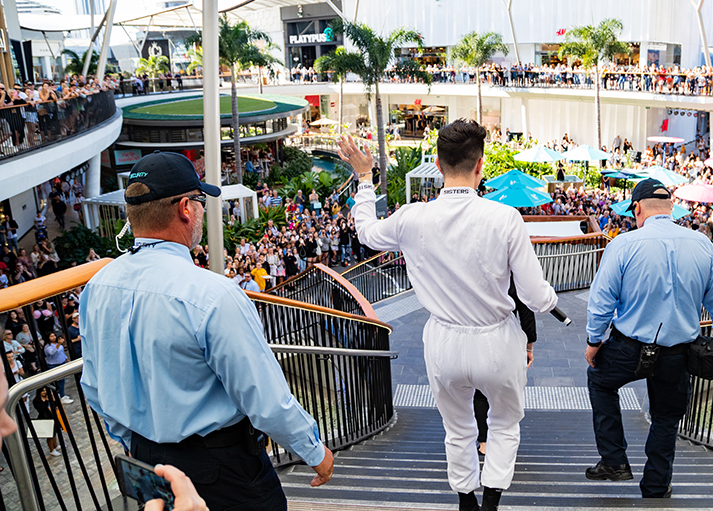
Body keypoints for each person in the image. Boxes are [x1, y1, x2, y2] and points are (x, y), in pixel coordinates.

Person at [79, 151, 334, 510]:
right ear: (186, 208)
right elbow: (263, 397)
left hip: (147, 461)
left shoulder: (97, 286)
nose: (201, 211)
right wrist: (314, 450)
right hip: (222, 470)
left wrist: (136, 442)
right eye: (200, 202)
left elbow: (93, 386)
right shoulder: (212, 295)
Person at [339, 121, 558, 511]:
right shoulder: (505, 218)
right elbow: (533, 295)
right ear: (480, 165)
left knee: (457, 428)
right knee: (504, 423)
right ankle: (491, 500)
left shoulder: (412, 217)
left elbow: (367, 233)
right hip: (496, 340)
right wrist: (550, 302)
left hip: (442, 342)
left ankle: (466, 501)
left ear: (438, 166)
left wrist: (365, 179)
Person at [584, 178, 713, 498]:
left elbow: (602, 301)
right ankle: (655, 485)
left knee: (600, 380)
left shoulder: (623, 244)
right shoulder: (701, 244)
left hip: (628, 347)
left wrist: (594, 340)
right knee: (666, 417)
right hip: (678, 352)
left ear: (637, 209)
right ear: (671, 209)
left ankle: (614, 459)